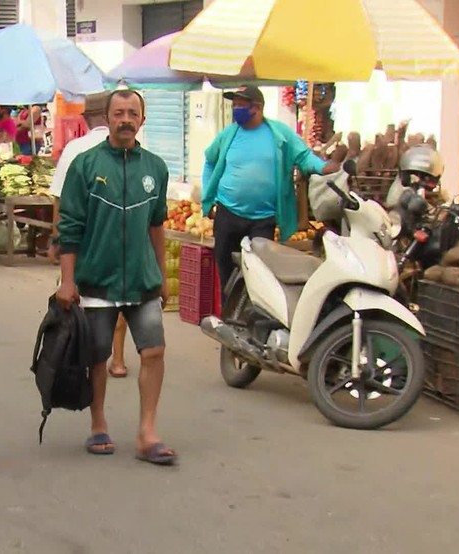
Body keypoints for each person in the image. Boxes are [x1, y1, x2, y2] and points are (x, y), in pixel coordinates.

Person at [56, 89, 176, 465]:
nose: (126, 119)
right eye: (119, 113)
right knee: (97, 356)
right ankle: (98, 423)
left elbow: (157, 225)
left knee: (154, 351)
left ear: (143, 119)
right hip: (97, 280)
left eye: (132, 113)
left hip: (142, 279)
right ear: (106, 119)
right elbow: (70, 226)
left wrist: (161, 274)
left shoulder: (156, 168)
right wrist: (67, 280)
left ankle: (147, 432)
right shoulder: (85, 165)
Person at [202, 85, 342, 296]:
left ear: (257, 108)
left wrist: (323, 167)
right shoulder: (228, 135)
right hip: (227, 215)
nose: (236, 110)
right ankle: (228, 320)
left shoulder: (279, 134)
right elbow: (210, 162)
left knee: (260, 274)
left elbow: (303, 156)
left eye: (241, 105)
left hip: (262, 219)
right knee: (227, 273)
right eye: (235, 105)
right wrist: (209, 198)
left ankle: (253, 319)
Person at [49, 92, 131, 378]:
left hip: (84, 243)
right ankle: (117, 359)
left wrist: (55, 239)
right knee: (119, 301)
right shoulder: (129, 147)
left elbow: (60, 200)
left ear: (86, 118)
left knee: (79, 300)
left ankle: (78, 357)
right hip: (121, 239)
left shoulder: (75, 149)